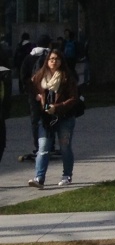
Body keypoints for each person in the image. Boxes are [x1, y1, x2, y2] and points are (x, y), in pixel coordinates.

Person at [27, 49, 79, 189]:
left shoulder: (66, 77)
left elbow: (73, 98)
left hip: (64, 117)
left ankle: (66, 175)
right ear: (47, 61)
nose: (54, 61)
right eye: (51, 59)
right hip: (46, 119)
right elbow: (32, 90)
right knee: (43, 147)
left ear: (61, 61)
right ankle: (39, 178)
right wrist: (38, 97)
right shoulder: (39, 77)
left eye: (57, 59)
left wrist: (57, 107)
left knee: (65, 147)